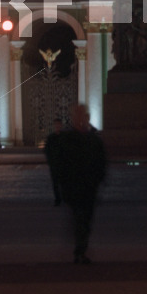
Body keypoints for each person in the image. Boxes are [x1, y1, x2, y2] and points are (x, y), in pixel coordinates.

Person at [55, 103, 107, 264]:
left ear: (87, 117)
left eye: (83, 115)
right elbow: (60, 163)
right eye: (77, 115)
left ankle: (81, 248)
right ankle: (80, 250)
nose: (80, 118)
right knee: (80, 219)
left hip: (89, 188)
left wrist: (98, 179)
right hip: (74, 188)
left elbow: (102, 162)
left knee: (85, 220)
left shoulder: (93, 139)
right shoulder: (67, 139)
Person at [44, 117, 64, 206]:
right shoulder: (51, 138)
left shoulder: (65, 137)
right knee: (55, 183)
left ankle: (64, 198)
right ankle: (57, 199)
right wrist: (50, 160)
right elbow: (46, 150)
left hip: (63, 163)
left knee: (63, 182)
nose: (57, 126)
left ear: (61, 125)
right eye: (56, 125)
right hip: (54, 164)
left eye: (59, 125)